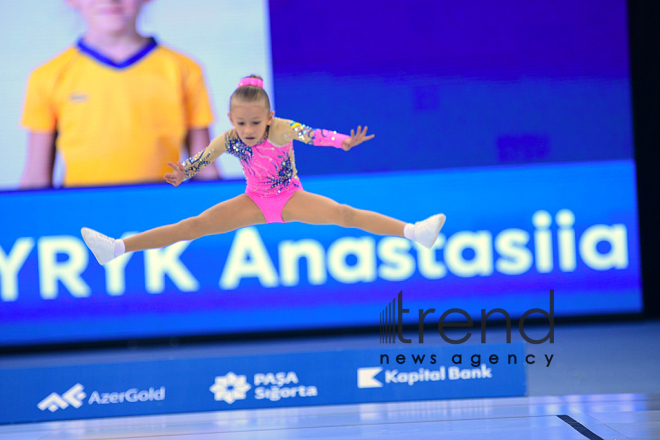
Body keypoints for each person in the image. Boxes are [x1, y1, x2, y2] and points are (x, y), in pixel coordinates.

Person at [81, 75, 446, 265]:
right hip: (253, 201)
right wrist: (183, 173)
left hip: (290, 198)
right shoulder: (228, 138)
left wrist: (343, 143)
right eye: (241, 123)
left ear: (269, 117)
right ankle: (116, 248)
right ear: (231, 120)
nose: (249, 130)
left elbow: (315, 136)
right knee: (190, 227)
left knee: (344, 214)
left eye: (256, 123)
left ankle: (414, 233)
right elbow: (202, 160)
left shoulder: (282, 128)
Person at [20, 0, 219, 189]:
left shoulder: (185, 70)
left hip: (162, 211)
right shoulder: (47, 76)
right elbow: (36, 177)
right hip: (82, 212)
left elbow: (204, 167)